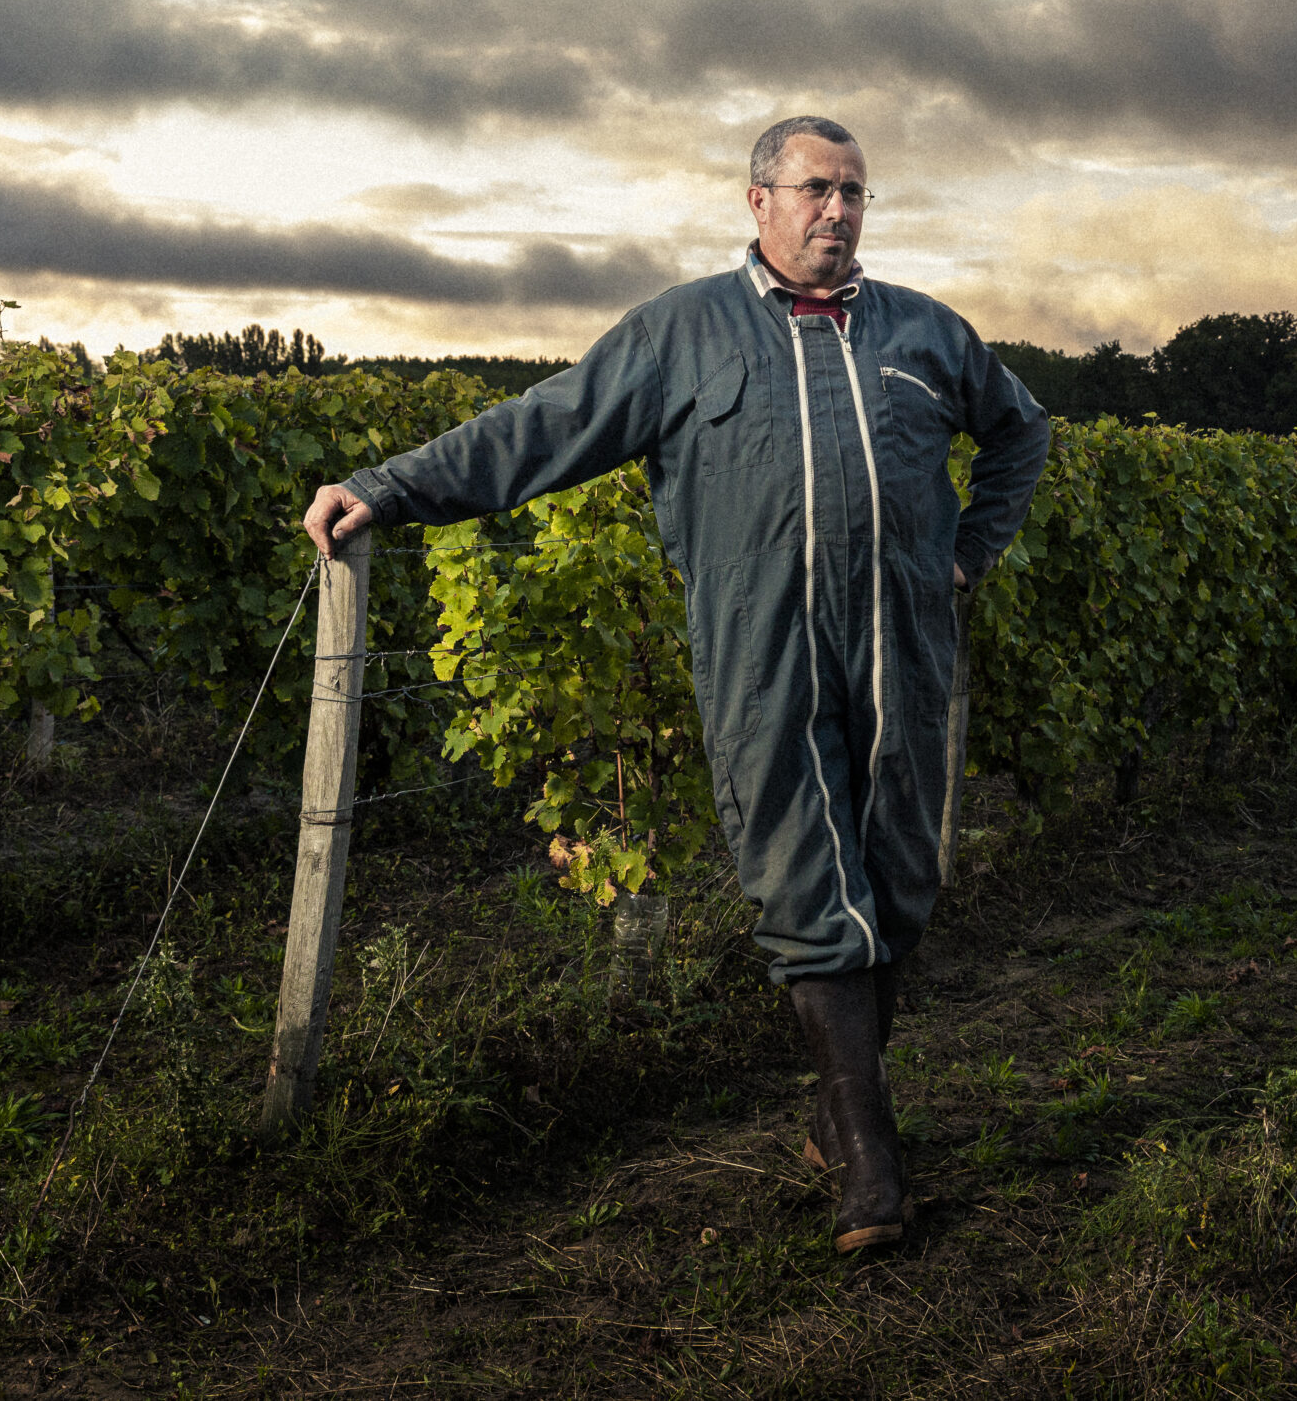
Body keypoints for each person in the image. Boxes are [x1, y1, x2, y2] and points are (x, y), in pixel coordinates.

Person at [303, 117, 1051, 1254]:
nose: (836, 213)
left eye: (854, 194)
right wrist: (391, 488)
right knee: (809, 889)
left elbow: (1020, 432)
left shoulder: (922, 333)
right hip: (764, 651)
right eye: (815, 190)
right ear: (757, 201)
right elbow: (543, 425)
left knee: (898, 884)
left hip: (905, 646)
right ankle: (873, 1168)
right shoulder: (683, 332)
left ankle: (832, 1115)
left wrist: (966, 552)